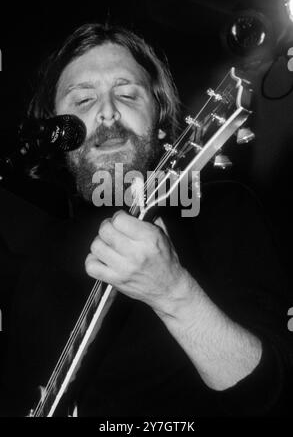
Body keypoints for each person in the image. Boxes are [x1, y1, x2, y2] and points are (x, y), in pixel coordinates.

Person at [0, 23, 292, 417]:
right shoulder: (40, 255)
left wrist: (172, 293)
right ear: (58, 134)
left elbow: (274, 390)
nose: (106, 112)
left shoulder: (221, 210)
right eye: (83, 100)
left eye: (126, 93)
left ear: (159, 119)